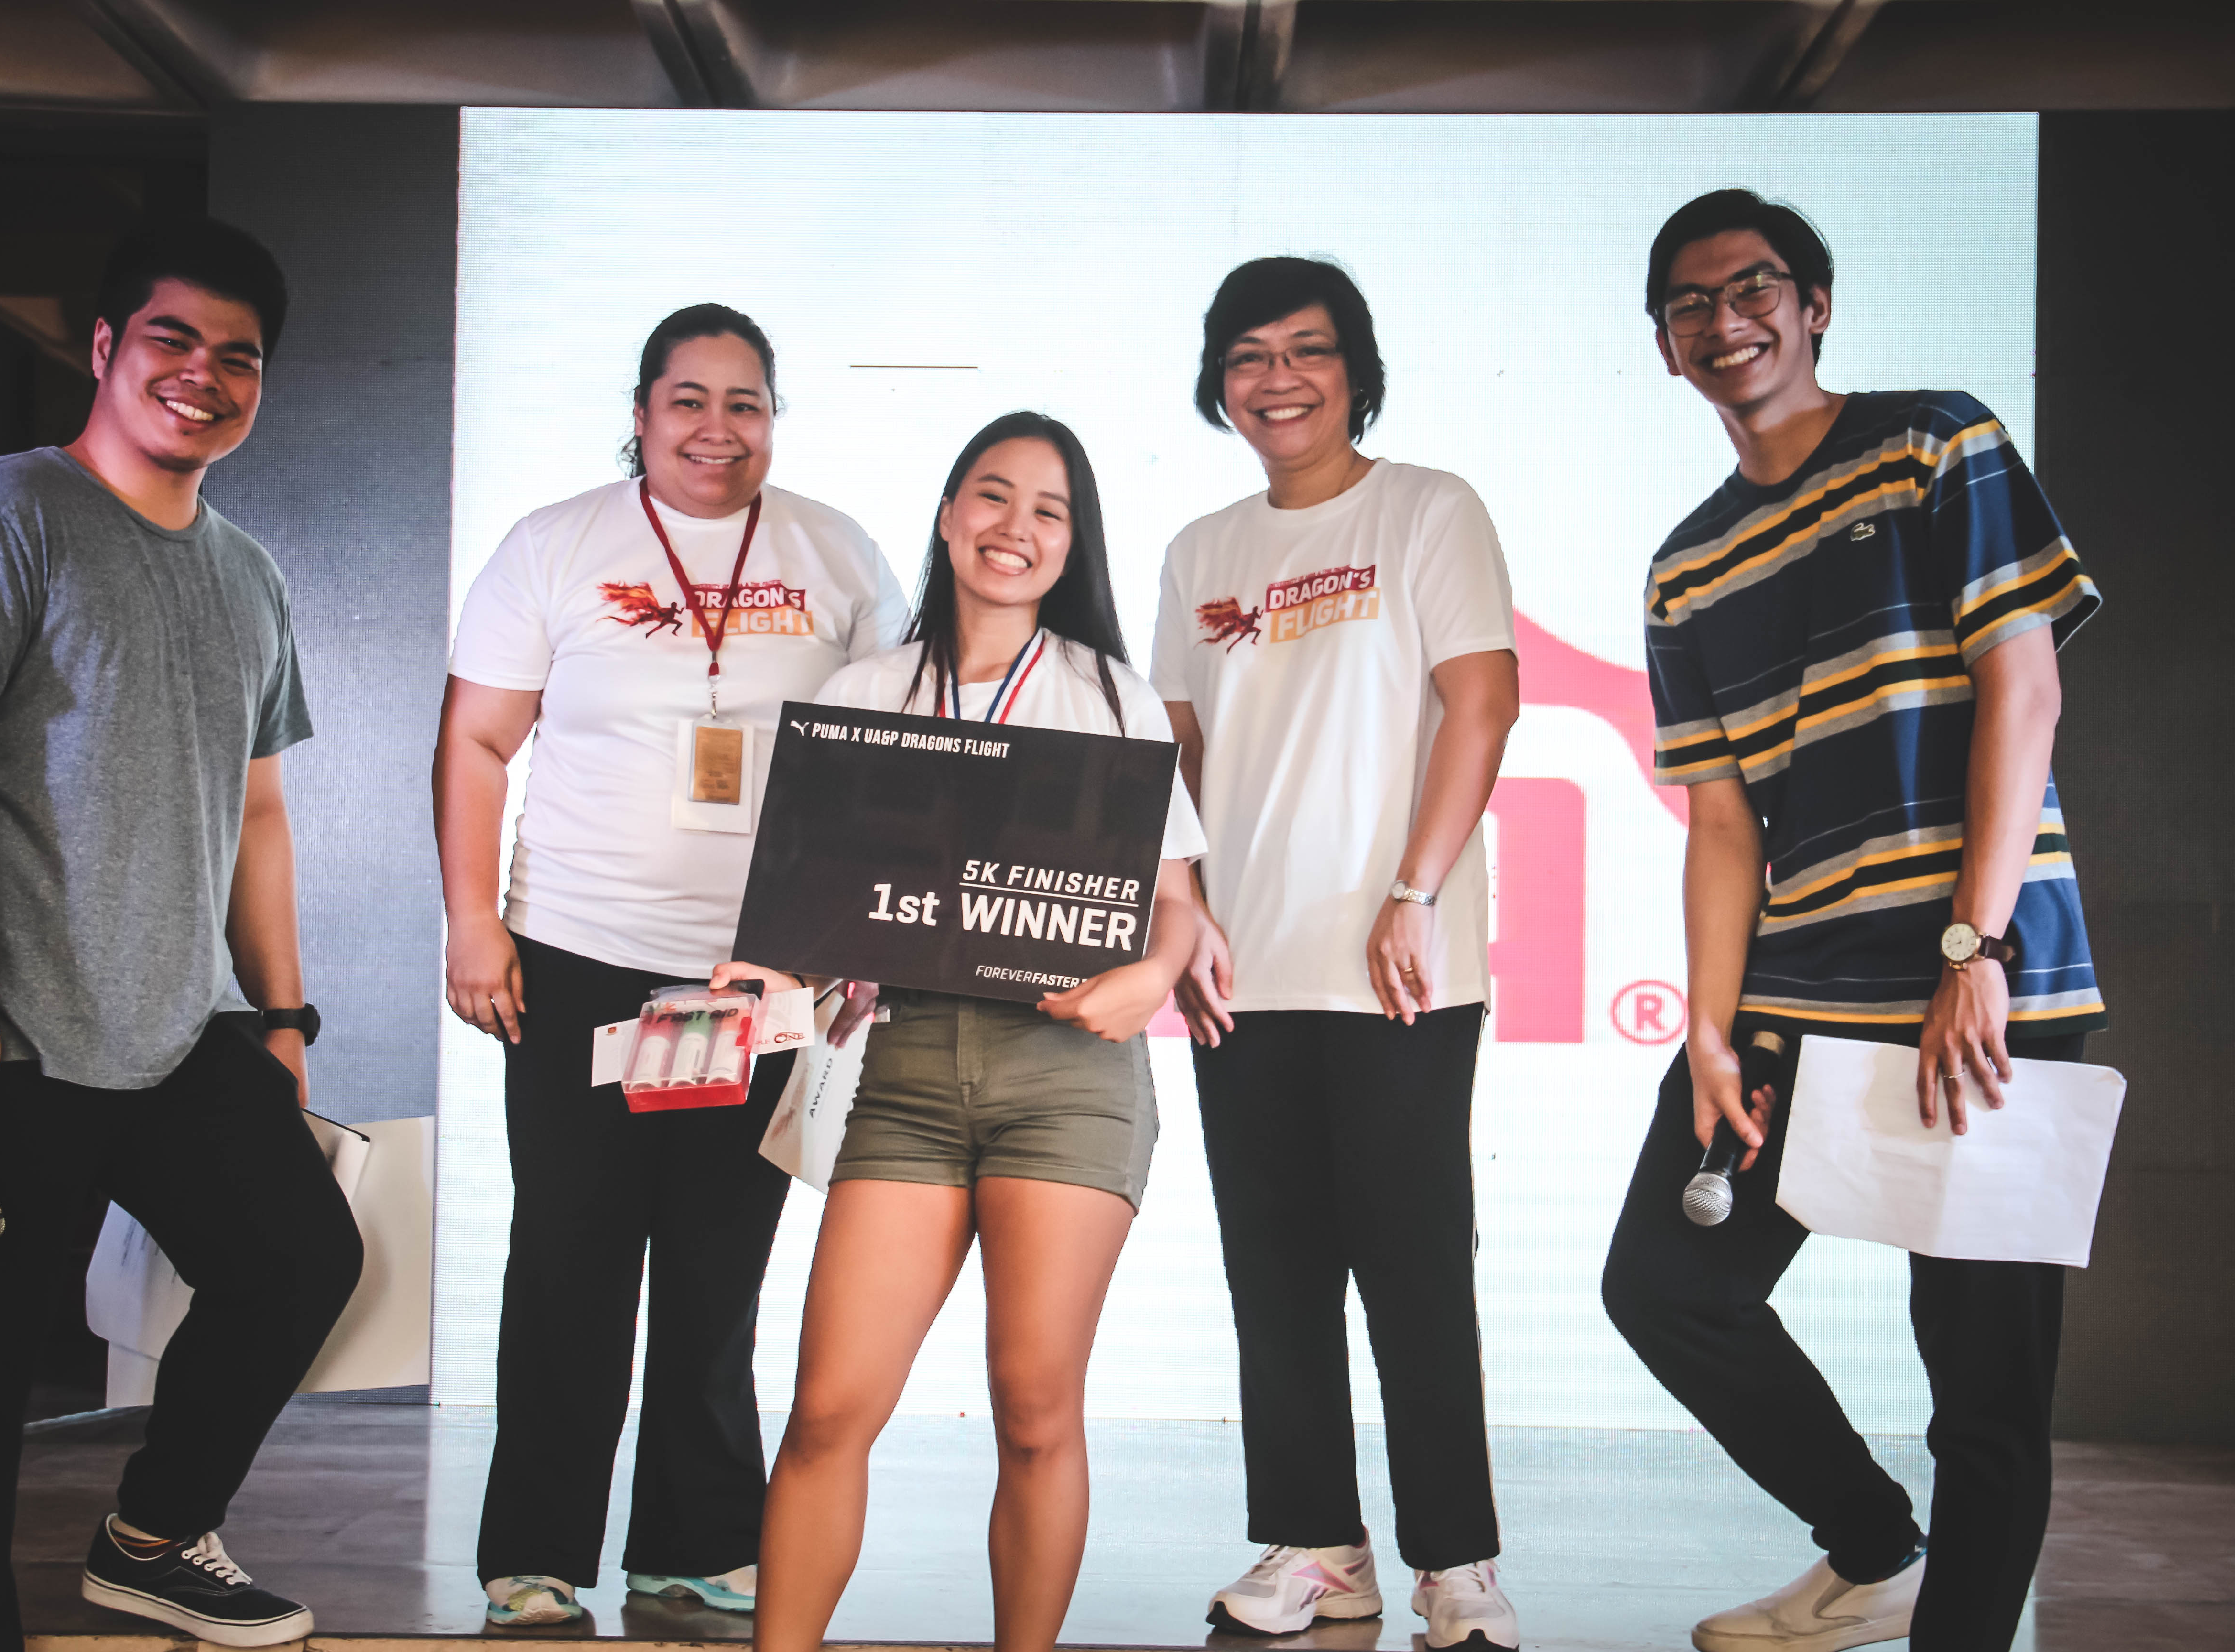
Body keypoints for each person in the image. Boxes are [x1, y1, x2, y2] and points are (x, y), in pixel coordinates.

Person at [0, 219, 363, 1649]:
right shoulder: (0, 513)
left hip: (172, 1021)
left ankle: (151, 1539)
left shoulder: (247, 574)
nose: (203, 375)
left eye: (237, 358)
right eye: (171, 340)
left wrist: (281, 1019)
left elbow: (260, 811)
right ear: (103, 349)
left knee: (299, 1259)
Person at [1598, 189, 2105, 1652]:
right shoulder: (1687, 566)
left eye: (1755, 287)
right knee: (1665, 1288)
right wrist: (1706, 1032)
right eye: (1691, 304)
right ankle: (1874, 1551)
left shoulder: (1937, 443)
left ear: (1813, 306)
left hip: (1988, 984)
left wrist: (1975, 951)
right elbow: (1723, 825)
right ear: (1665, 347)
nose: (1726, 320)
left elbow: (2024, 687)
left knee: (1986, 1397)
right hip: (1797, 996)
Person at [434, 303, 909, 1630]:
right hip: (577, 958)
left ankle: (695, 1544)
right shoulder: (556, 546)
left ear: (775, 418)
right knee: (567, 1263)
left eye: (745, 402)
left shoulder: (837, 553)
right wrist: (473, 921)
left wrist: (857, 942)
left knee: (716, 1273)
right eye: (688, 400)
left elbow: (893, 759)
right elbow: (476, 742)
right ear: (642, 413)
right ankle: (534, 1554)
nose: (717, 428)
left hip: (758, 980)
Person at [724, 410, 1205, 1652]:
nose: (1016, 527)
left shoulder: (1113, 694)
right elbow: (815, 910)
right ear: (947, 516)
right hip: (905, 1073)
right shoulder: (863, 694)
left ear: (1072, 545)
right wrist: (763, 974)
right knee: (828, 1410)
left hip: (1070, 1073)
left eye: (1050, 510)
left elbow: (1178, 909)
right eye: (993, 496)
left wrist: (1153, 978)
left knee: (1035, 1413)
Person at [1153, 257, 1524, 1650]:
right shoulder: (1200, 550)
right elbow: (1178, 758)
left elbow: (1481, 705)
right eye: (1249, 355)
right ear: (1220, 383)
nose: (1278, 379)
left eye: (1307, 350)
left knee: (1416, 1267)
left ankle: (1457, 1564)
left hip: (1398, 965)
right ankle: (1318, 1546)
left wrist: (1415, 890)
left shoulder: (1427, 508)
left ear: (1355, 371)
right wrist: (1185, 915)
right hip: (1241, 969)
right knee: (1275, 1273)